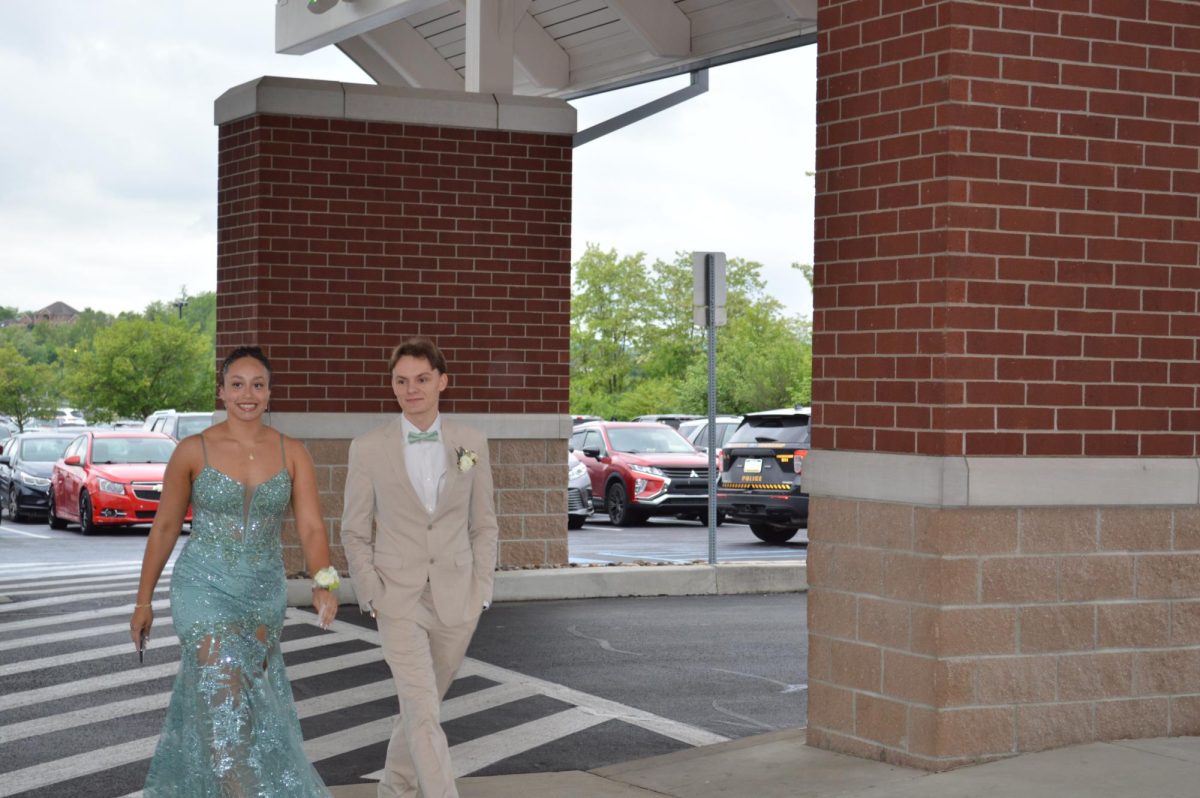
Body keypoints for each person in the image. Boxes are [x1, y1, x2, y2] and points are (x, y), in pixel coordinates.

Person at [130, 346, 338, 797]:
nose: (248, 394)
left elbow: (311, 526)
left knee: (247, 704)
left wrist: (324, 581)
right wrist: (143, 600)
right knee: (222, 697)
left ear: (269, 393)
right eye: (237, 385)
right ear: (221, 391)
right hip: (201, 587)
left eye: (258, 385)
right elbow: (165, 526)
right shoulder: (192, 450)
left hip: (263, 590)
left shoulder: (292, 452)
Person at [341, 337, 498, 798]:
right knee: (423, 710)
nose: (412, 389)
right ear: (392, 386)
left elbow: (484, 523)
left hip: (458, 597)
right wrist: (369, 589)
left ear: (442, 382)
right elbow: (353, 529)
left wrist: (482, 589)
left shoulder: (472, 443)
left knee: (421, 706)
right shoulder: (368, 448)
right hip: (396, 596)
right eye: (402, 381)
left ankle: (394, 788)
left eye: (422, 379)